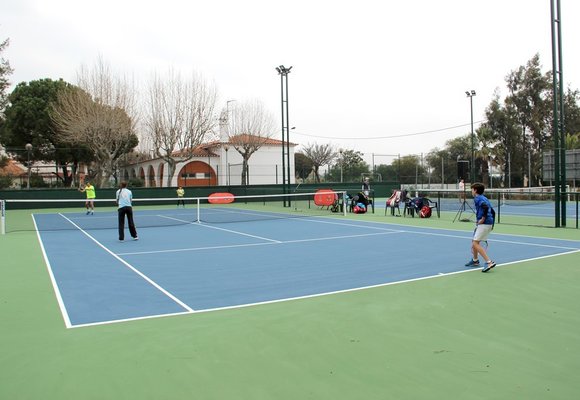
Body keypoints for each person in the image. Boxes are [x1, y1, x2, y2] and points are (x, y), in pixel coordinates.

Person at [465, 183, 496, 272]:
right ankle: (475, 261)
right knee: (474, 241)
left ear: (475, 190)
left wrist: (482, 219)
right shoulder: (485, 198)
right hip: (488, 224)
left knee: (475, 243)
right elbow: (493, 212)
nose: (471, 191)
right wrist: (491, 224)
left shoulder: (477, 198)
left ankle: (489, 262)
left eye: (472, 189)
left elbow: (485, 207)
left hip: (484, 223)